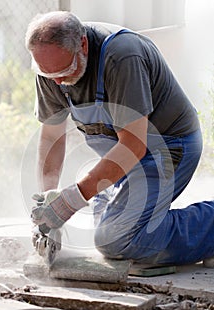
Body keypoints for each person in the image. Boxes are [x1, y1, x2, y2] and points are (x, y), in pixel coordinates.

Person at [25, 10, 214, 266]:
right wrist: (49, 208)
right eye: (49, 75)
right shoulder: (50, 68)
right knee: (109, 228)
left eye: (66, 70)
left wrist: (70, 201)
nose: (58, 81)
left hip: (168, 146)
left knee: (117, 240)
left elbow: (134, 145)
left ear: (82, 44)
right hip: (120, 156)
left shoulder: (122, 55)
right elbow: (51, 140)